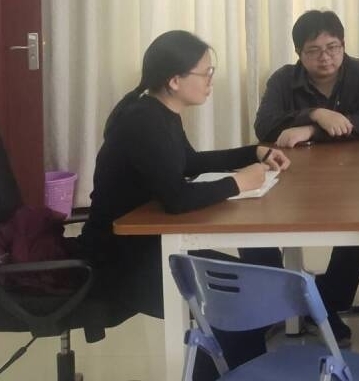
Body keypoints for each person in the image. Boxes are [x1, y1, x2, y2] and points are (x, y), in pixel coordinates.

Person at [80, 30, 290, 381]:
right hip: (122, 262)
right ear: (174, 80)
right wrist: (239, 182)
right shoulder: (143, 122)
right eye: (205, 73)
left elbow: (189, 163)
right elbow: (177, 199)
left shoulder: (159, 112)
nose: (210, 81)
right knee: (243, 299)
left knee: (250, 290)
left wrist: (254, 152)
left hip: (152, 245)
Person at [242, 10, 359, 346]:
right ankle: (275, 302)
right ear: (299, 53)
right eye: (314, 51)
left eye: (333, 48)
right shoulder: (282, 80)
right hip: (293, 178)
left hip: (353, 176)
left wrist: (308, 130)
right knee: (249, 226)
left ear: (343, 45)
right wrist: (316, 113)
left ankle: (324, 303)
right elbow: (265, 127)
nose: (325, 57)